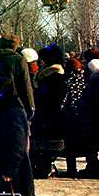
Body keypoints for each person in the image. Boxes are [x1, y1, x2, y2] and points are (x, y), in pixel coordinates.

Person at [30, 44, 66, 178]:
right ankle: (45, 165)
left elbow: (49, 97)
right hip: (48, 114)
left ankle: (46, 166)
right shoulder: (49, 74)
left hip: (50, 114)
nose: (40, 62)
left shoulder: (53, 76)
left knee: (48, 143)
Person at [0, 31, 34, 119]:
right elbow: (25, 85)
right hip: (14, 105)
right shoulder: (19, 60)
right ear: (15, 46)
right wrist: (30, 107)